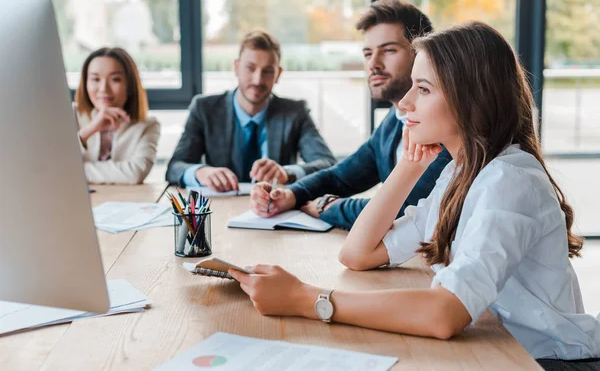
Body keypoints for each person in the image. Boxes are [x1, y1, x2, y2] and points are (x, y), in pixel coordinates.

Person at [230, 22, 600, 370]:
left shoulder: (509, 180)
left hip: (546, 360)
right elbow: (357, 254)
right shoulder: (460, 172)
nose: (405, 103)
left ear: (472, 99)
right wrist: (408, 167)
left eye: (422, 89)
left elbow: (444, 314)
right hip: (496, 346)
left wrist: (305, 300)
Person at [250, 0, 451, 230]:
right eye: (367, 53)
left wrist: (328, 207)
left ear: (421, 55)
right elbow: (341, 177)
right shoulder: (393, 122)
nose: (373, 64)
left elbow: (403, 209)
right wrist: (289, 195)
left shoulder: (440, 125)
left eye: (388, 51)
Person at [166, 30, 336, 192]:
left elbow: (327, 163)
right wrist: (200, 172)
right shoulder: (205, 109)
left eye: (268, 71)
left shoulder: (295, 112)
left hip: (274, 211)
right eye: (250, 68)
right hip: (219, 207)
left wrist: (287, 173)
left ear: (278, 74)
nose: (258, 79)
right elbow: (175, 167)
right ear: (236, 67)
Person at [74, 47, 160, 184]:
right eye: (95, 79)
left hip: (125, 200)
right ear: (85, 84)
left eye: (115, 79)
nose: (103, 89)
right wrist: (87, 131)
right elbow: (54, 165)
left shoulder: (148, 125)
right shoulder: (72, 115)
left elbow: (135, 173)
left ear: (130, 85)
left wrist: (78, 171)